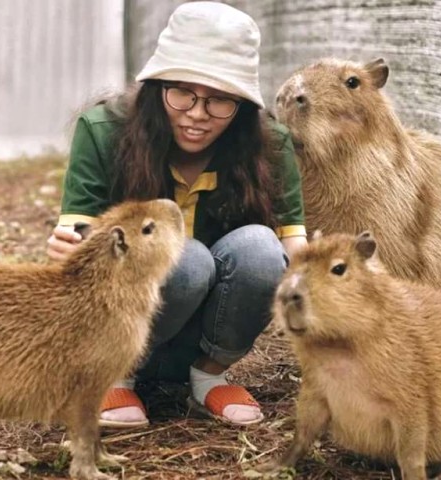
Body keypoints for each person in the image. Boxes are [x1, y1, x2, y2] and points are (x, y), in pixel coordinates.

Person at [47, 1, 307, 428]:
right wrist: (68, 252)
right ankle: (115, 378)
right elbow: (77, 239)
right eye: (182, 93)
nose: (198, 114)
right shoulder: (103, 131)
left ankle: (209, 377)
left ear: (242, 107)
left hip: (205, 335)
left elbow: (293, 247)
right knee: (184, 257)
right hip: (114, 333)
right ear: (156, 86)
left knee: (262, 248)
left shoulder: (270, 146)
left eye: (220, 100)